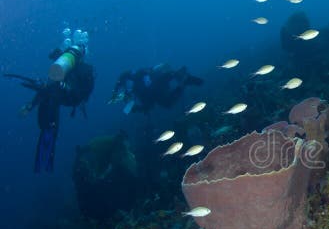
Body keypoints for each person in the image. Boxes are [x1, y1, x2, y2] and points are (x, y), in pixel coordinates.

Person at [5, 43, 95, 172]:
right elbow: (85, 94)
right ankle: (50, 129)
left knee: (49, 90)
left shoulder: (67, 64)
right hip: (70, 96)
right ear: (82, 56)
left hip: (57, 92)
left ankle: (38, 113)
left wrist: (30, 106)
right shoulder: (86, 69)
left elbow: (54, 79)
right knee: (52, 91)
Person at [109, 64, 203, 114]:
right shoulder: (136, 91)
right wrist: (137, 108)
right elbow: (148, 105)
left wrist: (115, 91)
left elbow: (123, 75)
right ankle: (183, 80)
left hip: (156, 84)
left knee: (167, 100)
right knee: (168, 104)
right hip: (156, 90)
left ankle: (180, 76)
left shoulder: (135, 78)